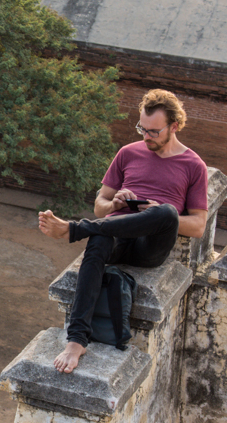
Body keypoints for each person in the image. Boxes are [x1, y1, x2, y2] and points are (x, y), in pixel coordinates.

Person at [38, 89, 209, 373]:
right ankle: (76, 340)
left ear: (174, 126)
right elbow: (100, 205)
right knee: (98, 239)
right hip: (116, 233)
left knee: (165, 211)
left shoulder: (193, 165)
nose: (146, 136)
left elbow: (199, 226)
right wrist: (114, 203)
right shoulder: (128, 153)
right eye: (142, 128)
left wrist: (158, 212)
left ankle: (74, 230)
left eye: (154, 131)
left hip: (150, 244)